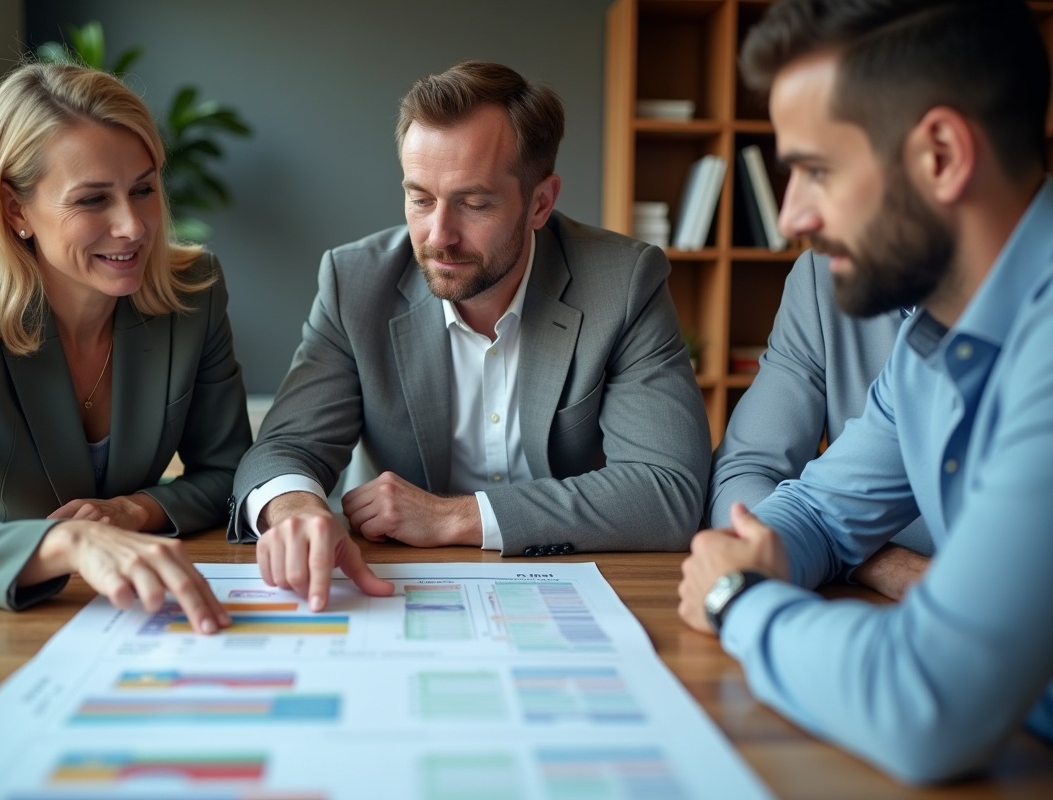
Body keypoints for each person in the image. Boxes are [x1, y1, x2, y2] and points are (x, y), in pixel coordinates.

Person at [677, 0, 1053, 783]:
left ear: (942, 155)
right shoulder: (931, 339)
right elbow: (819, 509)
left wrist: (737, 601)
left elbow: (927, 703)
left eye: (817, 170)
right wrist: (767, 548)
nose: (791, 217)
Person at [231, 61, 712, 610]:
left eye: (475, 203)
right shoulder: (355, 283)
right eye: (420, 198)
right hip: (405, 593)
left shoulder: (623, 283)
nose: (439, 235)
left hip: (583, 590)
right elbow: (285, 447)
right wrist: (297, 511)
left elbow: (667, 493)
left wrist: (455, 516)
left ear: (540, 202)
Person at [0, 62, 251, 635]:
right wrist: (67, 541)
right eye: (93, 201)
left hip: (128, 615)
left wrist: (134, 509)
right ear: (16, 210)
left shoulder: (193, 290)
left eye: (143, 189)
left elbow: (228, 471)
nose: (134, 226)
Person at [709, 249, 932, 600]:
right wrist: (877, 561)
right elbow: (742, 475)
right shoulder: (827, 272)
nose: (792, 220)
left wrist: (829, 545)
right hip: (874, 603)